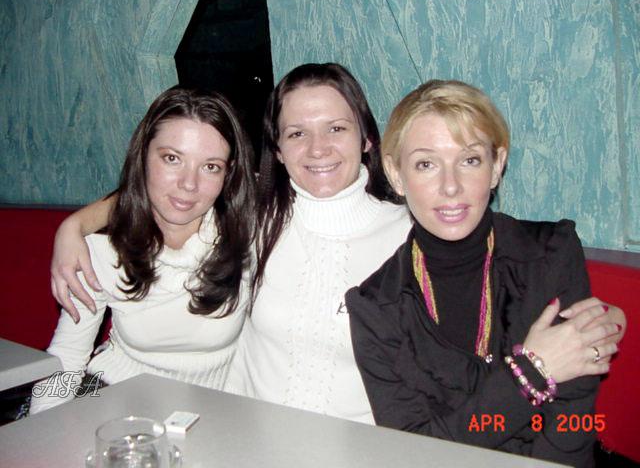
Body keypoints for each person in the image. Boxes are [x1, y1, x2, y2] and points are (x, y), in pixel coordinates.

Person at [48, 65, 626, 426]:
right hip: (242, 437)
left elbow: (492, 246)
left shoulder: (413, 231)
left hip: (366, 446)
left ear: (369, 139)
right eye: (297, 132)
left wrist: (580, 324)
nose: (318, 148)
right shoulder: (253, 220)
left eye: (337, 128)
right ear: (277, 150)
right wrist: (73, 228)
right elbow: (173, 194)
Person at [345, 79, 621, 466]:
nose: (451, 187)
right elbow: (417, 450)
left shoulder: (550, 253)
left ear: (496, 166)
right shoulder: (377, 307)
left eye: (470, 160)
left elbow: (574, 417)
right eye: (426, 164)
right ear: (395, 174)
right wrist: (531, 373)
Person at [29, 87, 256, 413]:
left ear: (228, 173)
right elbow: (67, 357)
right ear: (143, 157)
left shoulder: (250, 236)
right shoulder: (100, 247)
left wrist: (72, 224)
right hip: (113, 396)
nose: (188, 184)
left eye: (210, 167)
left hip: (217, 412)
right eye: (172, 158)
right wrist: (41, 431)